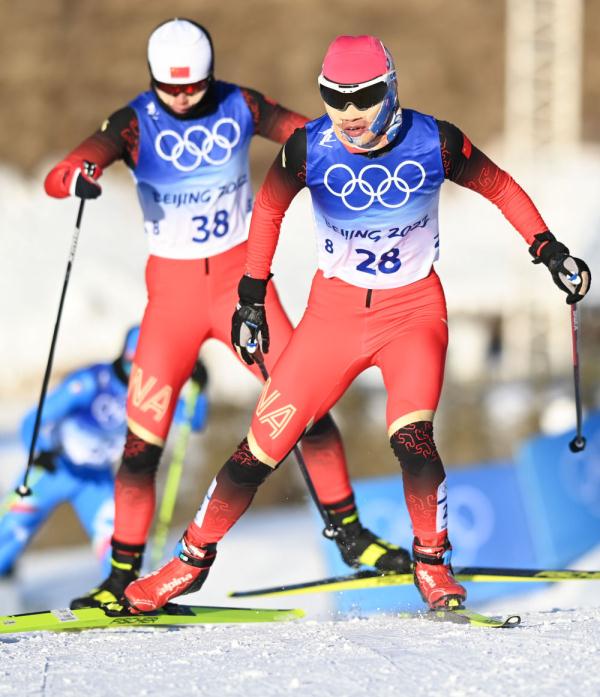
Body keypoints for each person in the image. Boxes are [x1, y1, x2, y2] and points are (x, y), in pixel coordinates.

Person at [123, 34, 591, 613]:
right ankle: (191, 561)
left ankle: (432, 562)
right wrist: (250, 294)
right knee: (257, 452)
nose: (348, 114)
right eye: (333, 98)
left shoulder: (435, 141)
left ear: (390, 88)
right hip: (333, 317)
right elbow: (269, 207)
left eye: (364, 97)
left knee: (414, 442)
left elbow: (498, 185)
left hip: (412, 313)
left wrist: (547, 249)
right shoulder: (308, 148)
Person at [44, 21, 411, 609]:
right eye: (170, 88)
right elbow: (77, 162)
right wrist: (75, 173)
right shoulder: (136, 120)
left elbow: (304, 131)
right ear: (152, 79)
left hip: (244, 293)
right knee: (141, 447)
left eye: (194, 87)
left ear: (211, 76)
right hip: (174, 302)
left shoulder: (239, 103)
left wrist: (364, 146)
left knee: (307, 409)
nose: (184, 98)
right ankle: (120, 575)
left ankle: (350, 534)